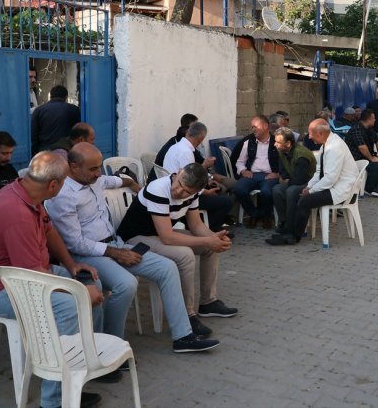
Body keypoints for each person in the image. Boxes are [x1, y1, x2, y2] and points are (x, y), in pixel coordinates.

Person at [0, 151, 108, 408]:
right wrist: (78, 293)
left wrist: (72, 264)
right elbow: (32, 279)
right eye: (64, 182)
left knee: (91, 281)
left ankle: (77, 373)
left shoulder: (28, 193)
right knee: (71, 306)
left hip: (28, 275)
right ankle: (53, 400)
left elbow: (49, 230)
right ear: (53, 185)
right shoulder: (15, 213)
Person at [46, 143, 220, 349]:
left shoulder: (94, 179)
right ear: (73, 167)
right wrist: (115, 253)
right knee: (126, 284)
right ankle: (110, 345)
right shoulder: (64, 196)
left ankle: (183, 336)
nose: (98, 173)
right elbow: (75, 243)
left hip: (115, 243)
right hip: (89, 255)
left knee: (167, 268)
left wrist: (134, 184)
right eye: (93, 168)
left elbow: (116, 179)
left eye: (99, 167)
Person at [117, 163, 238, 324]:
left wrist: (214, 238)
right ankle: (186, 315)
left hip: (158, 234)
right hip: (134, 238)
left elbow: (196, 225)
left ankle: (208, 302)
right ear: (179, 173)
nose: (179, 191)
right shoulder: (158, 189)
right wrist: (208, 240)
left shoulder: (192, 193)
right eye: (179, 184)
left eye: (187, 191)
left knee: (211, 247)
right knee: (185, 255)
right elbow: (167, 237)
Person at [266, 119, 359, 246]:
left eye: (311, 133)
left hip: (341, 190)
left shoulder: (335, 148)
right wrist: (309, 186)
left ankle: (294, 236)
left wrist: (311, 190)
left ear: (320, 134)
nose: (309, 137)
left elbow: (330, 178)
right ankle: (287, 230)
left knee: (305, 200)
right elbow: (319, 171)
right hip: (331, 185)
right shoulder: (326, 144)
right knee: (295, 193)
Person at [162, 122, 233, 232]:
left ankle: (205, 224)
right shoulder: (186, 152)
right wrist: (206, 191)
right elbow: (190, 182)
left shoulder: (175, 147)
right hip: (182, 195)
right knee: (226, 201)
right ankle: (210, 229)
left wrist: (208, 181)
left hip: (175, 190)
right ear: (200, 139)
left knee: (218, 191)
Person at [234, 116, 279, 229]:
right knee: (239, 189)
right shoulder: (248, 142)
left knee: (266, 192)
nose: (253, 129)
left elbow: (285, 162)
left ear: (265, 126)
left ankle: (267, 216)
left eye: (255, 127)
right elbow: (239, 162)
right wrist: (243, 171)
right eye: (252, 127)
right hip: (252, 175)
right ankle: (254, 214)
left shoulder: (277, 142)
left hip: (270, 175)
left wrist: (278, 174)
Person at [270, 127, 316, 236]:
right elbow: (282, 169)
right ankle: (284, 222)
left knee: (291, 191)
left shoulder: (301, 155)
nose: (275, 145)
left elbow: (302, 178)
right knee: (276, 190)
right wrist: (285, 178)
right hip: (293, 180)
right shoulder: (282, 150)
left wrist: (287, 182)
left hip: (309, 183)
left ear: (288, 143)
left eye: (278, 142)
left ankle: (292, 226)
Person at [344, 109, 378, 198]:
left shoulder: (370, 129)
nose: (375, 120)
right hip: (356, 159)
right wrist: (371, 158)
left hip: (365, 157)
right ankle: (368, 188)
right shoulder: (356, 129)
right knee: (377, 165)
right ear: (368, 119)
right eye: (373, 118)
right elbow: (362, 147)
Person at [31, 85, 81, 155]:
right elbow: (78, 131)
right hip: (65, 150)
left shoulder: (39, 110)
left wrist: (34, 151)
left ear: (50, 96)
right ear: (66, 97)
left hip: (44, 151)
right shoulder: (74, 109)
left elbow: (34, 134)